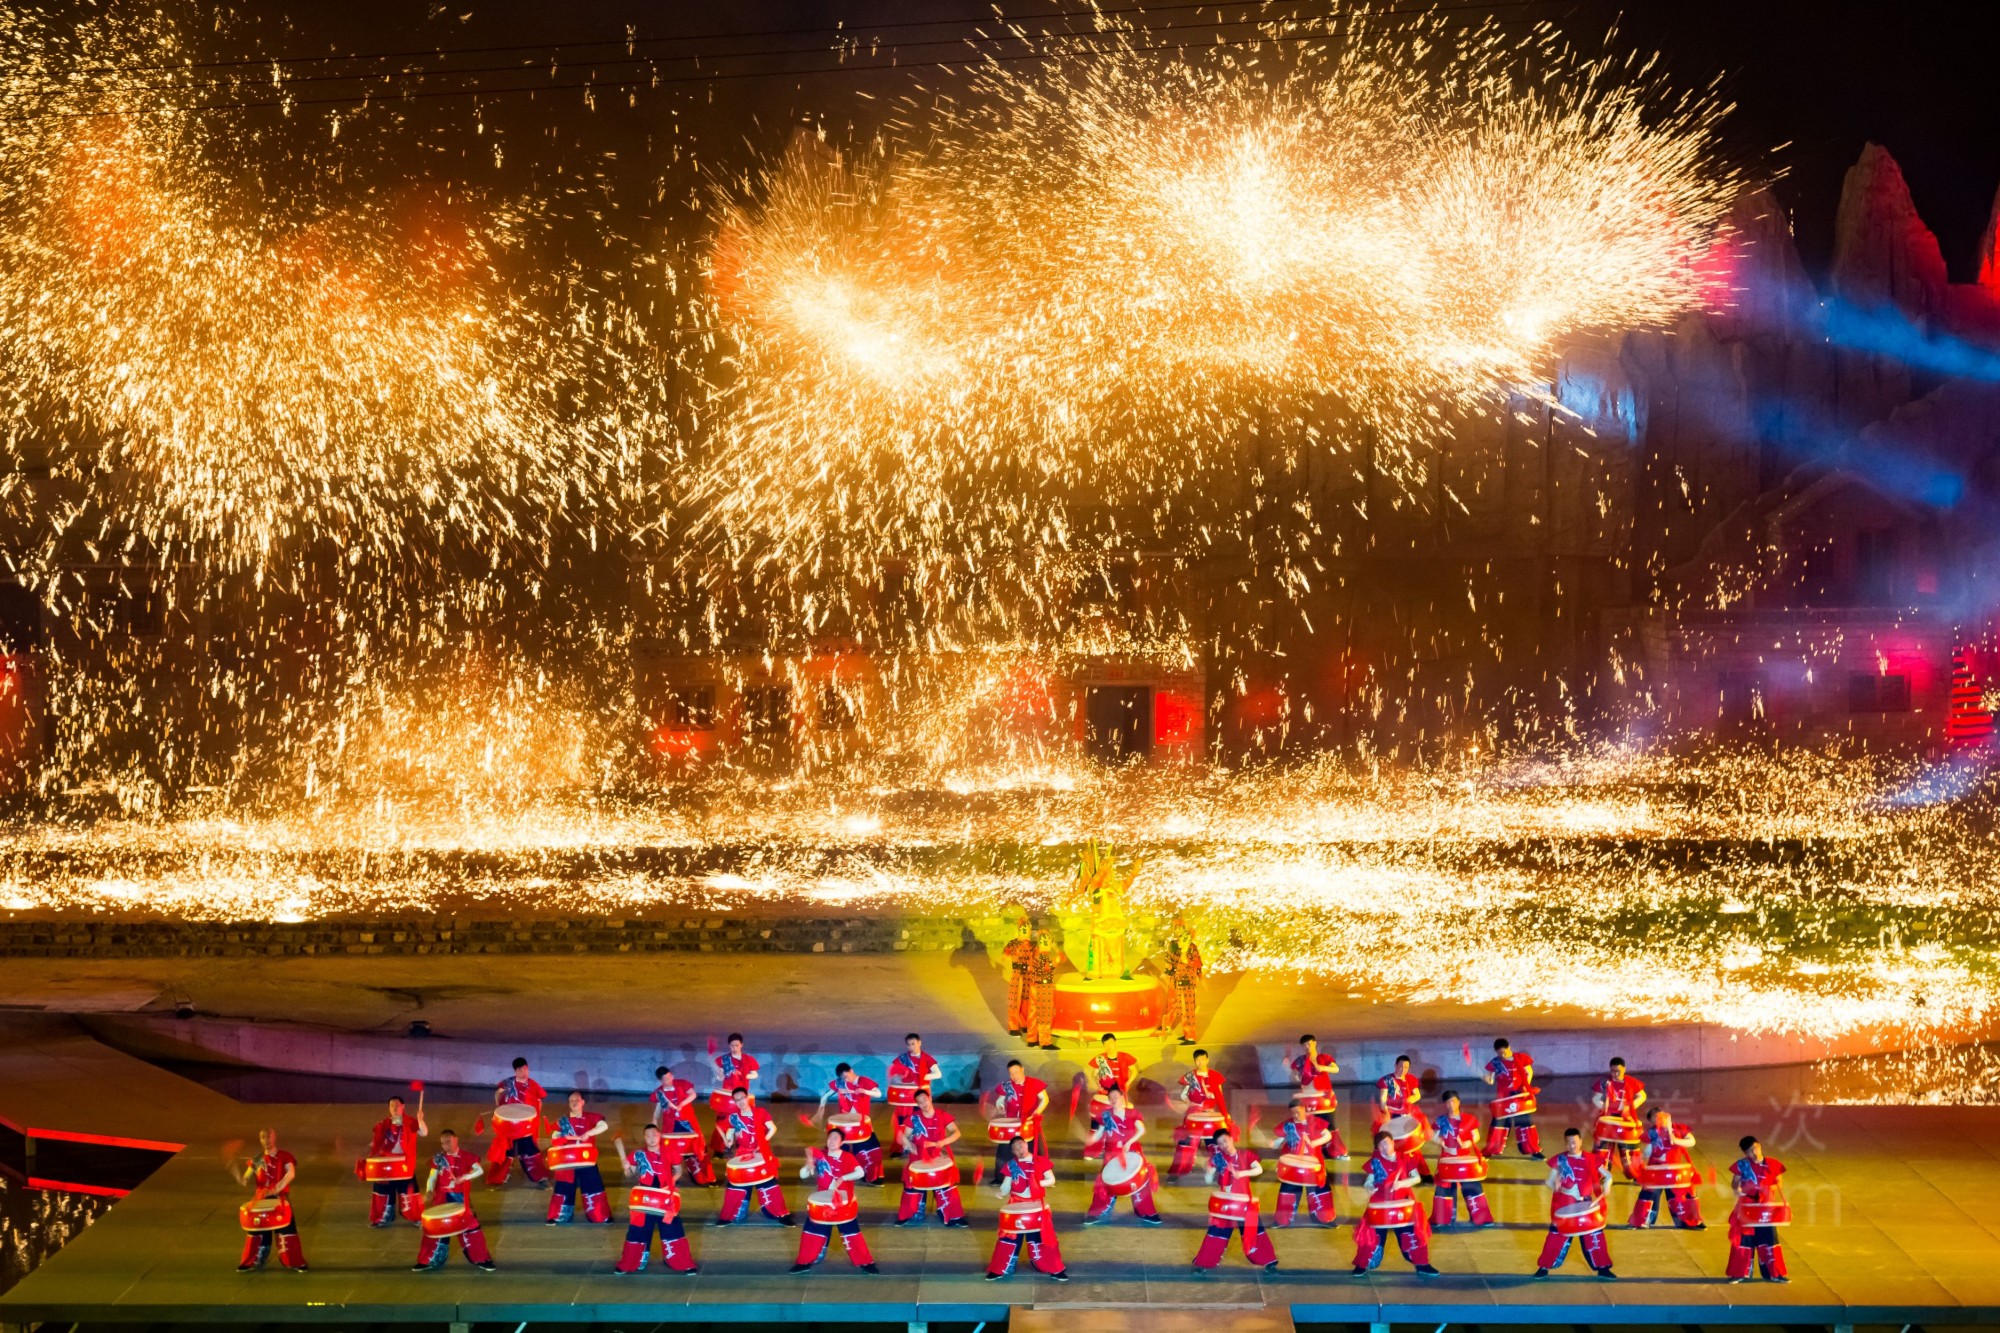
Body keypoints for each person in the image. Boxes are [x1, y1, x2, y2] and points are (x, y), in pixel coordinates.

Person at [789, 1127, 880, 1273]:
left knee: (851, 1232)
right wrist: (808, 1164)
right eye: (830, 1138)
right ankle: (804, 1262)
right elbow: (803, 1175)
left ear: (842, 1142)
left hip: (843, 1202)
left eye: (835, 1138)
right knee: (812, 1231)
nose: (831, 1141)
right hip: (823, 1202)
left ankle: (865, 1262)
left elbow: (860, 1172)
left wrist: (843, 1178)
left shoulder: (847, 1157)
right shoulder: (820, 1155)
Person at [611, 1124, 699, 1274]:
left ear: (659, 1135)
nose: (651, 1138)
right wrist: (626, 1167)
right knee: (638, 1230)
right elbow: (629, 1174)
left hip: (665, 1196)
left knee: (672, 1229)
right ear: (644, 1138)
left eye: (654, 1134)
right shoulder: (638, 1154)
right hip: (644, 1197)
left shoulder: (670, 1151)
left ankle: (679, 1261)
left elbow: (678, 1170)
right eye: (648, 1135)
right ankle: (632, 1261)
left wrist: (672, 1181)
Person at [1350, 1129, 1439, 1277]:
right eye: (1381, 1145)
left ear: (1392, 1142)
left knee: (1411, 1234)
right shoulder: (1375, 1161)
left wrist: (1402, 1183)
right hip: (1380, 1202)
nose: (1384, 1147)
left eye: (1386, 1143)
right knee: (1372, 1235)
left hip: (1402, 1201)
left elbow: (1416, 1178)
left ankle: (1422, 1264)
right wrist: (1369, 1187)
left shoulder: (1405, 1157)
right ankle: (1363, 1264)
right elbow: (1369, 1181)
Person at [1535, 1127, 1616, 1280]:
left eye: (1574, 1142)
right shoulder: (1560, 1160)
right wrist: (1556, 1187)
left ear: (1580, 1141)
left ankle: (1603, 1268)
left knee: (1594, 1236)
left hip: (1586, 1205)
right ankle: (1544, 1266)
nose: (1572, 1146)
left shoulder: (1590, 1158)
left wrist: (1607, 1185)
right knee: (1555, 1236)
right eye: (1568, 1143)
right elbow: (1549, 1181)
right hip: (1565, 1205)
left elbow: (1608, 1176)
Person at [1192, 1127, 1277, 1274]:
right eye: (1220, 1143)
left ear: (1231, 1139)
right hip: (1226, 1203)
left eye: (1225, 1141)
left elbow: (1259, 1169)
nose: (1223, 1145)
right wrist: (1208, 1171)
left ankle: (1269, 1261)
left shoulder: (1245, 1155)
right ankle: (1203, 1263)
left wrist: (1241, 1173)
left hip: (1244, 1202)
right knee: (1216, 1232)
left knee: (1255, 1231)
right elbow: (1208, 1180)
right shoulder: (1218, 1158)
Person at [987, 1134, 1069, 1282]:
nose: (1019, 1149)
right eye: (1015, 1148)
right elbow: (1006, 1186)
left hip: (1036, 1204)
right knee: (1009, 1237)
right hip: (1016, 1203)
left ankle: (1053, 1267)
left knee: (1043, 1237)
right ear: (1013, 1151)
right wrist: (1001, 1192)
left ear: (1026, 1144)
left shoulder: (1040, 1161)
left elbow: (1051, 1180)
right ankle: (1001, 1268)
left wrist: (1037, 1183)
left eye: (1021, 1145)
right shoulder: (1011, 1165)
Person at [414, 1129, 496, 1271]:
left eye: (448, 1141)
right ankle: (427, 1260)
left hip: (460, 1199)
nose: (446, 1145)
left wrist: (464, 1177)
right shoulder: (439, 1158)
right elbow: (432, 1177)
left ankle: (481, 1259)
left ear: (456, 1139)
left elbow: (479, 1170)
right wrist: (429, 1190)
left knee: (471, 1229)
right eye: (443, 1143)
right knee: (435, 1230)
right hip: (441, 1199)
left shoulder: (466, 1156)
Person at [717, 1085, 795, 1226]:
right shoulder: (734, 1117)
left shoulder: (760, 1112)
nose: (740, 1101)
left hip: (761, 1152)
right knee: (735, 1184)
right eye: (737, 1100)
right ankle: (728, 1215)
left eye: (742, 1098)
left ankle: (781, 1214)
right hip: (742, 1154)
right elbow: (730, 1133)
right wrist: (728, 1141)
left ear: (747, 1098)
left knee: (769, 1183)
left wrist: (763, 1142)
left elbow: (772, 1128)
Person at [1084, 1086, 1163, 1224]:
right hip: (1112, 1153)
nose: (1113, 1099)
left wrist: (1129, 1142)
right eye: (1110, 1098)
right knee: (1105, 1182)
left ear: (1122, 1097)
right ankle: (1097, 1213)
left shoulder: (1132, 1113)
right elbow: (1099, 1133)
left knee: (1140, 1182)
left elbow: (1141, 1130)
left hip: (1132, 1151)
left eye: (1116, 1096)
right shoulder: (1106, 1115)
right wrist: (1092, 1139)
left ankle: (1146, 1212)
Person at [235, 1127, 306, 1273]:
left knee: (287, 1230)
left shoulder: (284, 1156)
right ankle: (251, 1261)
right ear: (260, 1140)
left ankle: (295, 1262)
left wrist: (275, 1189)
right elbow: (246, 1178)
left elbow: (291, 1174)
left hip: (280, 1199)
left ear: (274, 1138)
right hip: (261, 1200)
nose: (266, 1140)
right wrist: (240, 1177)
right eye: (263, 1137)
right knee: (257, 1230)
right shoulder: (257, 1159)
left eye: (269, 1137)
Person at [895, 1089, 969, 1226]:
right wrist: (909, 1145)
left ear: (930, 1098)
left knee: (946, 1184)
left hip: (939, 1154)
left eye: (925, 1100)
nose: (924, 1104)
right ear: (917, 1104)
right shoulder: (914, 1118)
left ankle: (953, 1217)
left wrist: (942, 1142)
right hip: (918, 1156)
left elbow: (956, 1132)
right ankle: (911, 1214)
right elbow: (904, 1136)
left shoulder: (942, 1115)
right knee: (912, 1184)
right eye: (920, 1102)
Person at [1725, 1136, 1790, 1283]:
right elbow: (1735, 1183)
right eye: (1749, 1151)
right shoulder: (1742, 1165)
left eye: (1755, 1148)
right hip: (1747, 1206)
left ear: (1760, 1146)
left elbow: (1779, 1182)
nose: (1754, 1153)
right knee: (1743, 1239)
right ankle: (1738, 1273)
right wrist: (1737, 1188)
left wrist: (1766, 1188)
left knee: (1769, 1239)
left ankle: (1775, 1273)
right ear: (1745, 1153)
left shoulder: (1773, 1164)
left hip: (1766, 1207)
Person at [1428, 1089, 1494, 1229]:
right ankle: (1442, 1219)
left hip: (1464, 1159)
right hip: (1447, 1159)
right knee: (1444, 1188)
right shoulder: (1441, 1121)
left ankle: (1481, 1218)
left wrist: (1468, 1143)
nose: (1450, 1105)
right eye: (1447, 1102)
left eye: (1453, 1101)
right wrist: (1440, 1141)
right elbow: (1432, 1135)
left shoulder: (1468, 1119)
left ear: (1459, 1102)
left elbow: (1476, 1135)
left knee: (1472, 1187)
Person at [1629, 1107, 1704, 1230]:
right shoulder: (1652, 1133)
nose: (1660, 1119)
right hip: (1656, 1172)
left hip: (1674, 1171)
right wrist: (1639, 1161)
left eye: (1660, 1116)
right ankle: (1643, 1221)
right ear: (1652, 1122)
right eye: (1655, 1119)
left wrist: (1675, 1140)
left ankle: (1687, 1221)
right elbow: (1647, 1150)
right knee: (1649, 1196)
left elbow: (1692, 1141)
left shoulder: (1679, 1128)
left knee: (1679, 1197)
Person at [545, 1090, 613, 1225]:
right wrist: (561, 1138)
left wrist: (589, 1133)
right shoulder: (563, 1121)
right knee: (563, 1187)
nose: (574, 1102)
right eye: (571, 1100)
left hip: (586, 1161)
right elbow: (554, 1136)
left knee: (593, 1186)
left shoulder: (590, 1117)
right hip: (567, 1161)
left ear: (583, 1102)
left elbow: (603, 1125)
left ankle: (599, 1216)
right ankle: (558, 1216)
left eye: (577, 1100)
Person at [815, 1061, 886, 1184]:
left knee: (871, 1149)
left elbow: (879, 1093)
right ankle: (834, 1174)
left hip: (861, 1124)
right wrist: (820, 1110)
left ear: (851, 1071)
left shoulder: (863, 1081)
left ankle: (873, 1176)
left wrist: (865, 1091)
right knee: (836, 1148)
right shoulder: (840, 1083)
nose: (845, 1080)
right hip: (843, 1125)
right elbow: (825, 1096)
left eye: (846, 1076)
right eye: (843, 1078)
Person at [1267, 1101, 1336, 1227]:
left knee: (1319, 1188)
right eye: (1293, 1113)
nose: (1295, 1115)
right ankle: (1283, 1220)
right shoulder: (1289, 1125)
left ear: (1304, 1109)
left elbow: (1327, 1135)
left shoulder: (1314, 1122)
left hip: (1313, 1163)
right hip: (1293, 1165)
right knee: (1289, 1189)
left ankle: (1323, 1218)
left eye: (1298, 1112)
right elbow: (1281, 1139)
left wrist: (1314, 1143)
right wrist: (1274, 1144)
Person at [1167, 1048, 1231, 1177]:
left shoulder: (1215, 1076)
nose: (1200, 1062)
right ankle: (1180, 1169)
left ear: (1207, 1060)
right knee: (1187, 1142)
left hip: (1210, 1114)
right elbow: (1183, 1095)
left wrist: (1225, 1114)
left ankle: (1219, 1167)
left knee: (1214, 1142)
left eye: (1202, 1059)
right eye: (1197, 1060)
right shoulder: (1191, 1077)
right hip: (1193, 1113)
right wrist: (1189, 1102)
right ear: (1195, 1061)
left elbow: (1219, 1096)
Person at [648, 1064, 715, 1186]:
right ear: (661, 1080)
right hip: (671, 1125)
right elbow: (658, 1110)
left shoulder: (682, 1083)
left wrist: (681, 1104)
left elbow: (693, 1094)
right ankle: (672, 1177)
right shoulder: (660, 1093)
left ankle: (704, 1177)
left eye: (670, 1076)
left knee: (698, 1148)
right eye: (666, 1079)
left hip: (688, 1123)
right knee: (669, 1152)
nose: (669, 1079)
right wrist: (654, 1123)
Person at [365, 1093, 427, 1226]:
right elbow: (377, 1142)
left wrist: (420, 1120)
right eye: (391, 1105)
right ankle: (384, 1217)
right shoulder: (384, 1124)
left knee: (408, 1191)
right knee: (383, 1191)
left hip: (404, 1163)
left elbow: (424, 1132)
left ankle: (416, 1217)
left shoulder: (411, 1122)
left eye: (397, 1105)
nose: (394, 1108)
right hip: (387, 1162)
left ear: (403, 1106)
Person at [489, 1056, 550, 1187]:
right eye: (520, 1070)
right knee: (506, 1150)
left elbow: (539, 1101)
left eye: (525, 1069)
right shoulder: (508, 1083)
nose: (523, 1072)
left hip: (525, 1126)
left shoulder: (532, 1084)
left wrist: (535, 1118)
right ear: (515, 1071)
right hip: (509, 1126)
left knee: (529, 1150)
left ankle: (540, 1177)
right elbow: (498, 1093)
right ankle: (499, 1177)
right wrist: (499, 1109)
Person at [989, 1059, 1051, 1182]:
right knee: (1004, 1149)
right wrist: (1000, 1105)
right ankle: (1000, 1177)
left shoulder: (1033, 1083)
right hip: (1011, 1123)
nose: (1014, 1076)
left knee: (1035, 1149)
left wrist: (1037, 1112)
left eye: (1016, 1072)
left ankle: (1041, 1176)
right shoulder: (1007, 1085)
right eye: (1011, 1073)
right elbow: (1000, 1100)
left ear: (1022, 1070)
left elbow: (1045, 1099)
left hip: (1030, 1121)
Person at [1483, 1038, 1543, 1159]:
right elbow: (1491, 1080)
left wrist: (1526, 1086)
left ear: (1509, 1047)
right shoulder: (1496, 1062)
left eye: (1504, 1052)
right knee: (1499, 1123)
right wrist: (1488, 1080)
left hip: (1519, 1094)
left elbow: (1529, 1072)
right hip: (1504, 1097)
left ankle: (1534, 1151)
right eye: (1500, 1053)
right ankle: (1490, 1150)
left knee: (1525, 1123)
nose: (1503, 1055)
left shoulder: (1521, 1058)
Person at [1291, 1034, 1348, 1159]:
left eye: (1309, 1043)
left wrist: (1320, 1067)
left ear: (1315, 1043)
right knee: (1311, 1126)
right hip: (1308, 1099)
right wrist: (1298, 1076)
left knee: (1329, 1125)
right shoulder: (1300, 1060)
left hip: (1323, 1098)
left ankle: (1335, 1151)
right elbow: (1295, 1074)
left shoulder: (1323, 1057)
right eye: (1304, 1045)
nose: (1307, 1047)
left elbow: (1336, 1069)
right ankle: (1314, 1150)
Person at [1590, 1057, 1648, 1180]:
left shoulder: (1631, 1082)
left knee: (1629, 1150)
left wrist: (1630, 1107)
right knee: (1602, 1149)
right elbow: (1595, 1098)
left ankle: (1635, 1174)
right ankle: (1600, 1174)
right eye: (1612, 1071)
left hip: (1626, 1120)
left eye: (1618, 1071)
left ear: (1624, 1069)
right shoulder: (1605, 1082)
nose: (1615, 1074)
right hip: (1608, 1119)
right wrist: (1605, 1107)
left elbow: (1642, 1096)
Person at [707, 1033, 761, 1158]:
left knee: (742, 1121)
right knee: (722, 1122)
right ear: (729, 1046)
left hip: (741, 1096)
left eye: (737, 1045)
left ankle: (742, 1147)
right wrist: (719, 1074)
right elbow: (720, 1076)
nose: (734, 1048)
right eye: (732, 1046)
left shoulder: (748, 1059)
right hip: (727, 1097)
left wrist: (744, 1075)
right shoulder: (724, 1059)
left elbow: (755, 1074)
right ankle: (719, 1149)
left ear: (742, 1045)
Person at [887, 1032, 940, 1150]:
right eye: (909, 1045)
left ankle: (920, 1145)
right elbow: (894, 1070)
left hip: (921, 1095)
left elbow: (938, 1074)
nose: (911, 1047)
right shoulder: (903, 1058)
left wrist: (922, 1077)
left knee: (920, 1120)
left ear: (919, 1043)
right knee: (902, 1120)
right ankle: (902, 1145)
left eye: (913, 1044)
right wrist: (901, 1076)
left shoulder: (926, 1058)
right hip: (905, 1097)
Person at [1086, 1033, 1139, 1129]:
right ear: (1103, 1046)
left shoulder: (1125, 1056)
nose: (1109, 1046)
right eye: (1106, 1044)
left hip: (1120, 1090)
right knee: (1099, 1111)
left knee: (1119, 1112)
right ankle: (1095, 1131)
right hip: (1104, 1090)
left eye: (1110, 1043)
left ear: (1115, 1043)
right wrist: (1096, 1083)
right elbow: (1094, 1074)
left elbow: (1134, 1071)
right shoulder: (1100, 1058)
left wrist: (1128, 1082)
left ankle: (1117, 1131)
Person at [1025, 929, 1062, 1049]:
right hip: (1043, 987)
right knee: (1045, 1014)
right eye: (1049, 941)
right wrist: (1056, 951)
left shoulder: (1034, 953)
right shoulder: (1043, 956)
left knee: (1033, 1013)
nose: (1050, 944)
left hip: (1034, 986)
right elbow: (1054, 963)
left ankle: (1032, 1039)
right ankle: (1045, 1042)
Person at [1167, 924, 1204, 1044]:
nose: (1178, 941)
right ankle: (1187, 1034)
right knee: (1183, 1011)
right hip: (1180, 984)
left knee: (1188, 1012)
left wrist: (1184, 949)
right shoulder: (1178, 947)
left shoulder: (1189, 949)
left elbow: (1192, 963)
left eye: (1180, 939)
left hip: (1186, 985)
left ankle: (1190, 1037)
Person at [1002, 915, 1037, 1035]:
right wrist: (1012, 957)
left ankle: (1024, 1023)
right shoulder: (1013, 943)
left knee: (1027, 998)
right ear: (1019, 930)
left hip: (1029, 973)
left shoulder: (1033, 945)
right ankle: (1013, 1026)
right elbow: (1005, 956)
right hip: (1017, 973)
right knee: (1015, 999)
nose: (1025, 931)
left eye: (1027, 929)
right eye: (1023, 929)